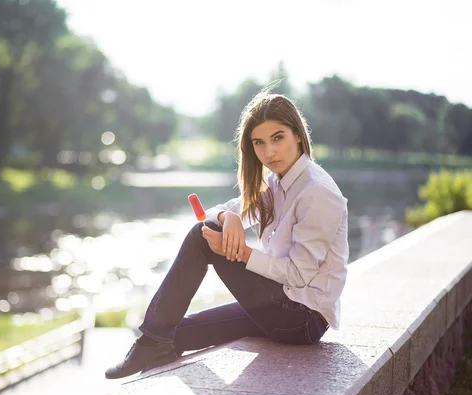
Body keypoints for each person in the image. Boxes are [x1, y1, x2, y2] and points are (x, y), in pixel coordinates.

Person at [105, 91, 349, 379]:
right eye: (259, 143)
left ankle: (150, 339)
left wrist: (240, 252)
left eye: (278, 138)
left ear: (297, 135)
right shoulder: (278, 183)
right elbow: (218, 211)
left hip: (301, 317)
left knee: (201, 236)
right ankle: (155, 341)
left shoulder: (317, 192)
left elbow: (298, 275)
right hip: (281, 304)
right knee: (177, 334)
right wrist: (228, 217)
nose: (269, 152)